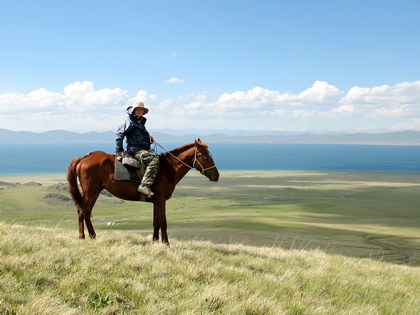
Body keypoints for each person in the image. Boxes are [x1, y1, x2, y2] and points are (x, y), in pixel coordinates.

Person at [116, 100, 159, 197]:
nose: (140, 111)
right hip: (135, 150)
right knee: (154, 159)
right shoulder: (129, 121)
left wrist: (149, 138)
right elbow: (119, 134)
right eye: (138, 109)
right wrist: (119, 149)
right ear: (133, 110)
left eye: (141, 109)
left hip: (143, 149)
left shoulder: (140, 122)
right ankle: (144, 185)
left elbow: (142, 134)